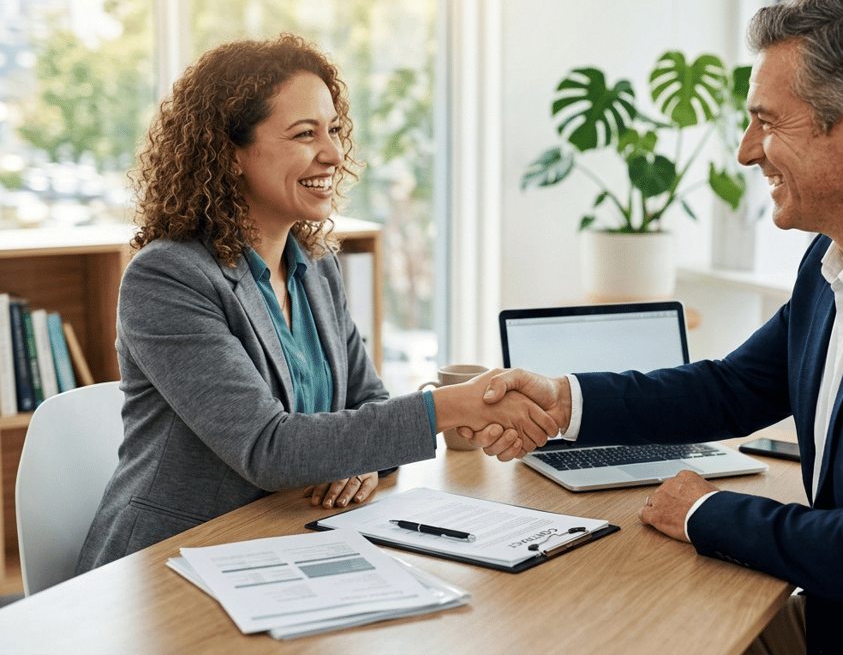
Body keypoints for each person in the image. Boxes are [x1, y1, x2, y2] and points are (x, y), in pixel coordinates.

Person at [465, 0, 843, 654]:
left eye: (768, 122)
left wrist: (705, 510)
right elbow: (732, 388)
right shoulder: (842, 249)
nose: (746, 151)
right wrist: (563, 402)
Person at [76, 34, 556, 573]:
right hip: (168, 562)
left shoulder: (316, 265)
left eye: (333, 130)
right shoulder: (169, 278)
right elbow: (269, 448)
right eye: (305, 134)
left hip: (284, 545)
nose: (332, 153)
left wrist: (360, 455)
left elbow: (367, 403)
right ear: (230, 153)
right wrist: (453, 406)